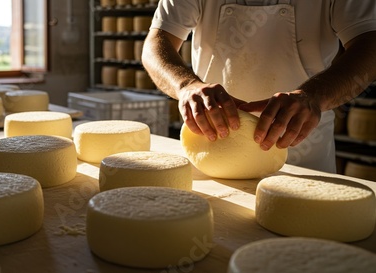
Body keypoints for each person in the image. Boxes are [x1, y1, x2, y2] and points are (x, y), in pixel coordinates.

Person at [142, 0, 376, 173]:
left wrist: (313, 96)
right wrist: (186, 86)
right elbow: (156, 43)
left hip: (304, 157)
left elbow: (370, 45)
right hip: (212, 152)